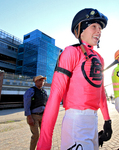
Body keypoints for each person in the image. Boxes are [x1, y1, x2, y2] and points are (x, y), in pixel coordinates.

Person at [37, 8, 112, 150]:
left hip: (93, 120)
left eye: (100, 28)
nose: (99, 31)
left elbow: (101, 92)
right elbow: (55, 95)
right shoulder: (71, 52)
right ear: (81, 29)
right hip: (76, 122)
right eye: (94, 26)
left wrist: (107, 120)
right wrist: (44, 143)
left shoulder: (100, 58)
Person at [23, 75, 48, 150]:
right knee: (36, 135)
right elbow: (26, 105)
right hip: (34, 116)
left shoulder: (44, 91)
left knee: (44, 135)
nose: (42, 82)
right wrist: (29, 117)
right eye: (40, 80)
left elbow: (46, 103)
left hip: (43, 116)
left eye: (43, 81)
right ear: (36, 81)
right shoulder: (30, 91)